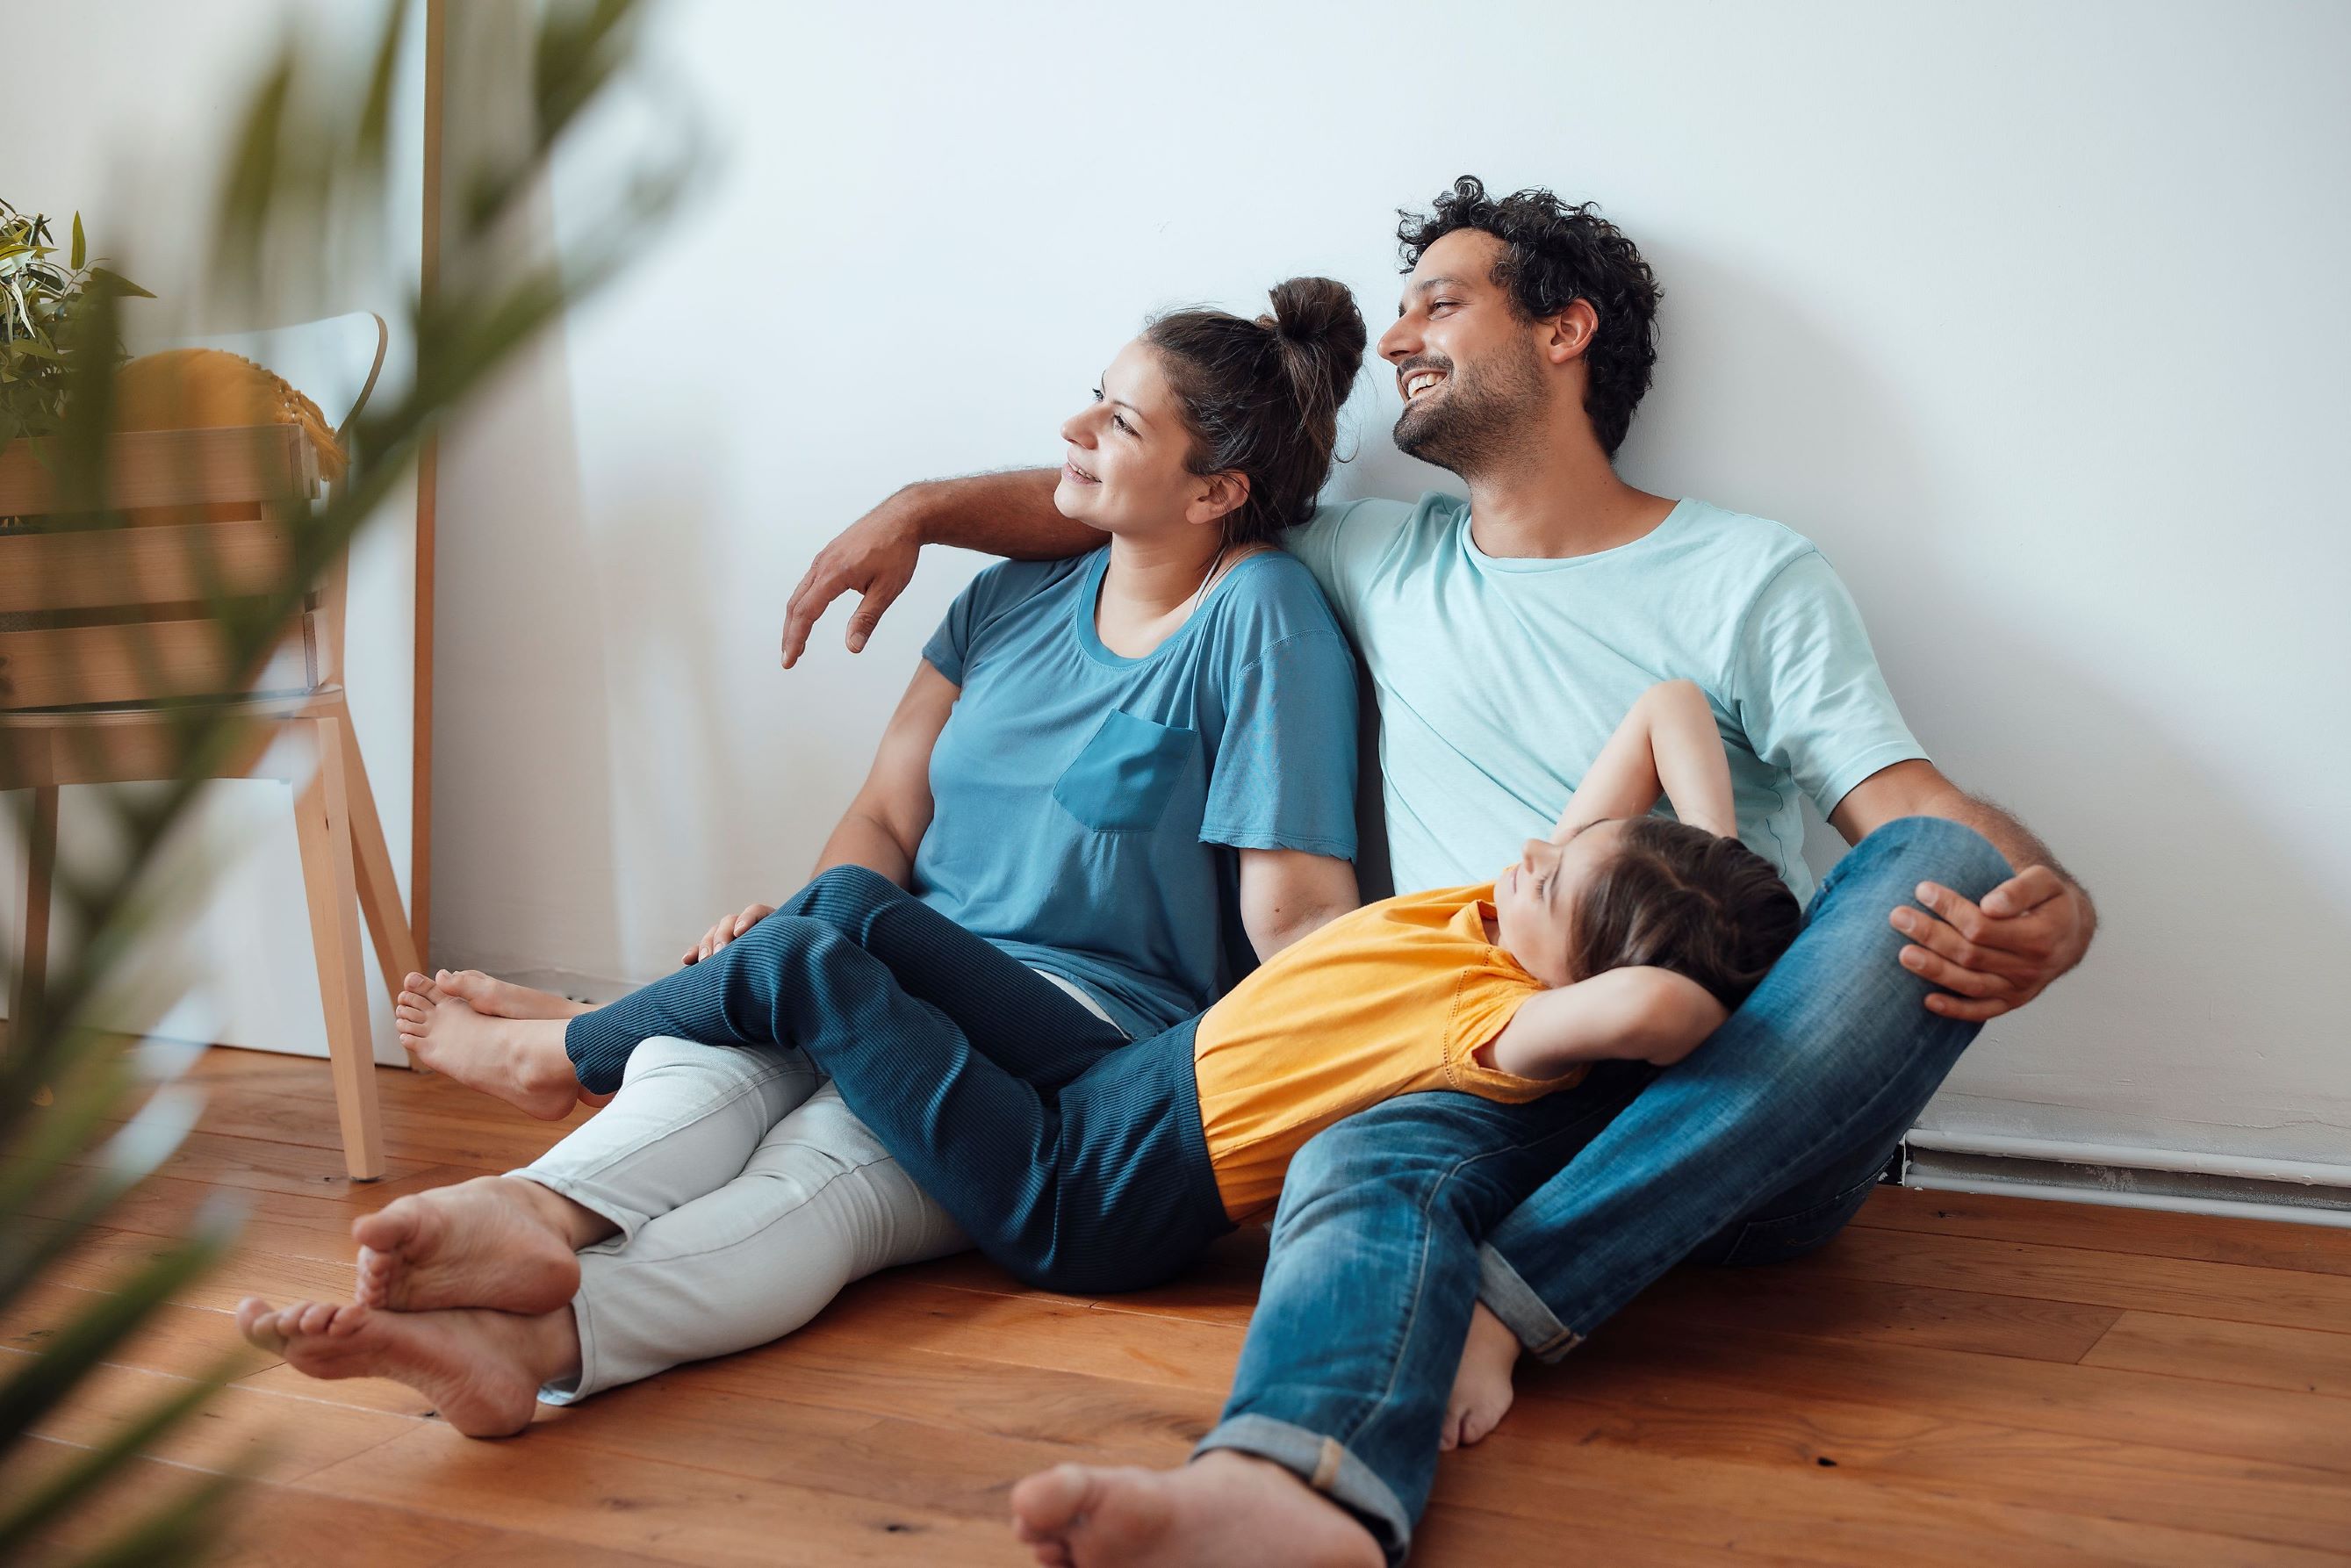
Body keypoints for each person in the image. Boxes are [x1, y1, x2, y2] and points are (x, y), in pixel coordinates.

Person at [780, 178, 2096, 1568]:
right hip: (1483, 1072)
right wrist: (920, 509)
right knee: (1359, 1143)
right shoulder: (1370, 555)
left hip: (1733, 1098)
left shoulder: (1745, 574)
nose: (1397, 331)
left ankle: (1503, 1302)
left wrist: (2048, 906)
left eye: (1439, 301)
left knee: (1934, 861)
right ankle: (1297, 1488)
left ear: (1564, 330)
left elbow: (1908, 809)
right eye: (1401, 304)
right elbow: (1148, 495)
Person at [233, 278, 1373, 1435]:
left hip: (1079, 1032)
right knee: (712, 1072)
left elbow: (1293, 915)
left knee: (823, 1165)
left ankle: (566, 1127)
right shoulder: (1003, 603)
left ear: (1217, 489)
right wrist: (796, 953)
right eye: (1091, 399)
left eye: (1120, 423)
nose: (1073, 430)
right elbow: (881, 818)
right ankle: (519, 1287)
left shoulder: (1260, 614)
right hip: (888, 960)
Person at [315, 680, 1807, 1309]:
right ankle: (595, 1026)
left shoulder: (1509, 1022)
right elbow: (1665, 705)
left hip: (1083, 1198)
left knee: (803, 960)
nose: (1531, 849)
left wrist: (1685, 957)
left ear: (1586, 973)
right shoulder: (1506, 916)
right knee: (851, 901)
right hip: (1127, 1070)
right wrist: (1695, 857)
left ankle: (555, 1057)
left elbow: (1662, 1019)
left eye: (1558, 877)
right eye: (1561, 841)